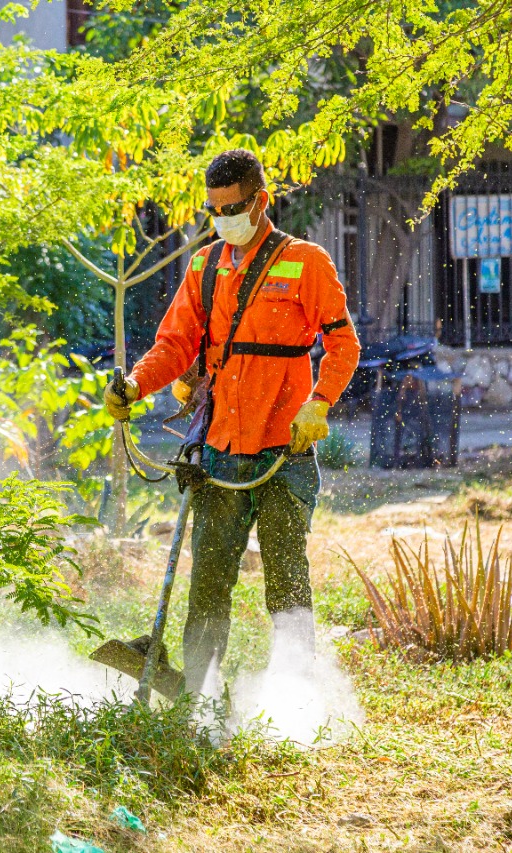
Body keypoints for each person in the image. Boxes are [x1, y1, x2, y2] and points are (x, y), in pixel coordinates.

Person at [104, 149, 360, 694]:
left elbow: (343, 344)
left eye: (232, 207)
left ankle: (296, 698)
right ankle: (196, 695)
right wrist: (133, 386)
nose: (223, 219)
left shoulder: (305, 262)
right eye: (214, 209)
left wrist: (319, 402)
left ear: (261, 201)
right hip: (218, 451)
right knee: (209, 583)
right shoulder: (203, 266)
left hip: (283, 452)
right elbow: (174, 346)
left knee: (287, 578)